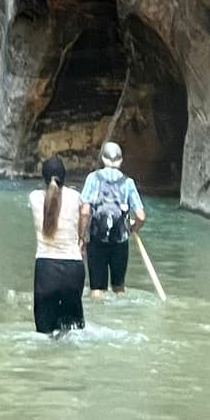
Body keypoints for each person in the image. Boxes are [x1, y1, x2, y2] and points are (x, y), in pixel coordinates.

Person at [29, 154, 86, 334]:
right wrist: (82, 238)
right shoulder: (76, 197)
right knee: (73, 331)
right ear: (64, 177)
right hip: (73, 268)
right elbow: (86, 211)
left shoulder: (34, 197)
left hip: (46, 269)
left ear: (43, 178)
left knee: (45, 333)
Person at [81, 140, 145, 295]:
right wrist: (133, 229)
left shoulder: (93, 178)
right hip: (120, 241)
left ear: (103, 159)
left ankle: (98, 308)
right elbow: (141, 216)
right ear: (121, 160)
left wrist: (82, 236)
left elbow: (85, 211)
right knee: (119, 287)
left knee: (97, 288)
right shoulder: (128, 183)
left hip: (96, 239)